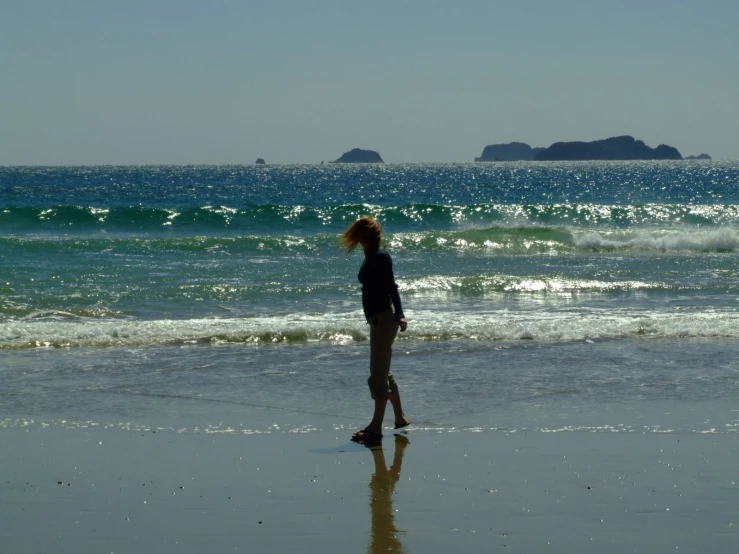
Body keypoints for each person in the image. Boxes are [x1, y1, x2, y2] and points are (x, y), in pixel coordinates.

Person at [341, 216, 410, 441]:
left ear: (365, 236)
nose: (354, 237)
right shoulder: (370, 256)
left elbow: (392, 287)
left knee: (377, 376)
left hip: (383, 320)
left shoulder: (381, 257)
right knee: (383, 372)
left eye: (358, 233)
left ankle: (375, 428)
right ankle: (399, 418)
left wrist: (399, 314)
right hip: (377, 320)